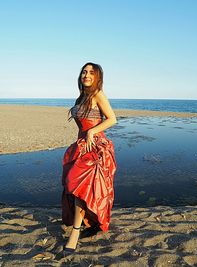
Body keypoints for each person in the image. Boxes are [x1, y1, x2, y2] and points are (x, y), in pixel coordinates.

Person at [61, 62, 117, 255]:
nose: (86, 75)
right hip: (81, 145)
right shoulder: (81, 96)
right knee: (75, 186)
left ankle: (75, 233)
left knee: (79, 189)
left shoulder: (97, 94)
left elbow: (112, 118)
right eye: (84, 72)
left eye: (91, 73)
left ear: (97, 77)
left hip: (95, 147)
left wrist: (93, 131)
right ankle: (87, 222)